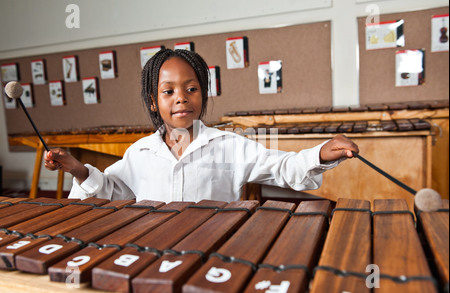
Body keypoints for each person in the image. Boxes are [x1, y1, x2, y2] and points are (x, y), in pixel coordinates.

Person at [44, 49, 359, 203]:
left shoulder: (229, 145)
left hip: (214, 249)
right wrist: (79, 170)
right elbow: (112, 190)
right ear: (153, 102)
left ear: (203, 94)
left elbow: (281, 167)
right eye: (168, 92)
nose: (181, 98)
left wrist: (320, 154)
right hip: (154, 251)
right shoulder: (140, 152)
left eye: (191, 88)